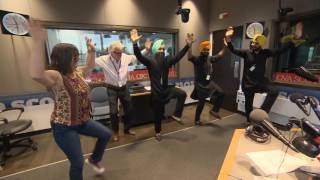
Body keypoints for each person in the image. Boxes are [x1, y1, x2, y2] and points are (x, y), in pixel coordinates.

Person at [29, 21, 112, 180]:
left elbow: (90, 64)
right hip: (64, 127)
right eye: (73, 57)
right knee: (77, 163)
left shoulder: (77, 72)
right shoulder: (56, 76)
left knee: (105, 134)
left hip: (83, 121)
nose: (76, 60)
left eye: (76, 56)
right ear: (63, 59)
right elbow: (36, 74)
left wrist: (91, 50)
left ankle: (94, 159)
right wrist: (37, 42)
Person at [130, 29, 194, 141]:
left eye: (163, 49)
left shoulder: (167, 61)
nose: (162, 51)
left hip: (166, 90)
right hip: (156, 94)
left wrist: (187, 46)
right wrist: (135, 44)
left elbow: (178, 56)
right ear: (155, 50)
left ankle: (176, 115)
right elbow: (139, 56)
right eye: (160, 48)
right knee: (158, 115)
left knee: (182, 94)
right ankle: (158, 132)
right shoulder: (150, 61)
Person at [225, 27, 293, 123]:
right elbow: (233, 49)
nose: (253, 44)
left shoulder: (265, 53)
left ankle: (261, 112)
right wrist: (228, 39)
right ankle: (249, 121)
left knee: (274, 91)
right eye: (252, 42)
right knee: (248, 105)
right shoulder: (246, 53)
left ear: (260, 44)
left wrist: (291, 43)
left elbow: (279, 51)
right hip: (248, 84)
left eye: (256, 43)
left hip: (260, 82)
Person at [95, 40, 151, 141]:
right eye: (117, 52)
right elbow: (90, 63)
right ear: (110, 51)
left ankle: (127, 129)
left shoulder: (125, 57)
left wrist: (146, 50)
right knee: (113, 112)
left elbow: (137, 56)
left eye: (121, 51)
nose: (120, 54)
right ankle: (115, 132)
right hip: (112, 88)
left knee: (129, 109)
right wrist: (91, 52)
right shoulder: (103, 59)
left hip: (124, 88)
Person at [188, 40, 226, 125]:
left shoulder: (210, 58)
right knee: (201, 103)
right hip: (200, 84)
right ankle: (197, 120)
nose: (206, 51)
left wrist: (225, 46)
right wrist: (189, 45)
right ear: (201, 50)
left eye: (208, 50)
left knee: (221, 93)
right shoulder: (197, 59)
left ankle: (214, 110)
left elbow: (220, 55)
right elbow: (189, 56)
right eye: (204, 49)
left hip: (209, 83)